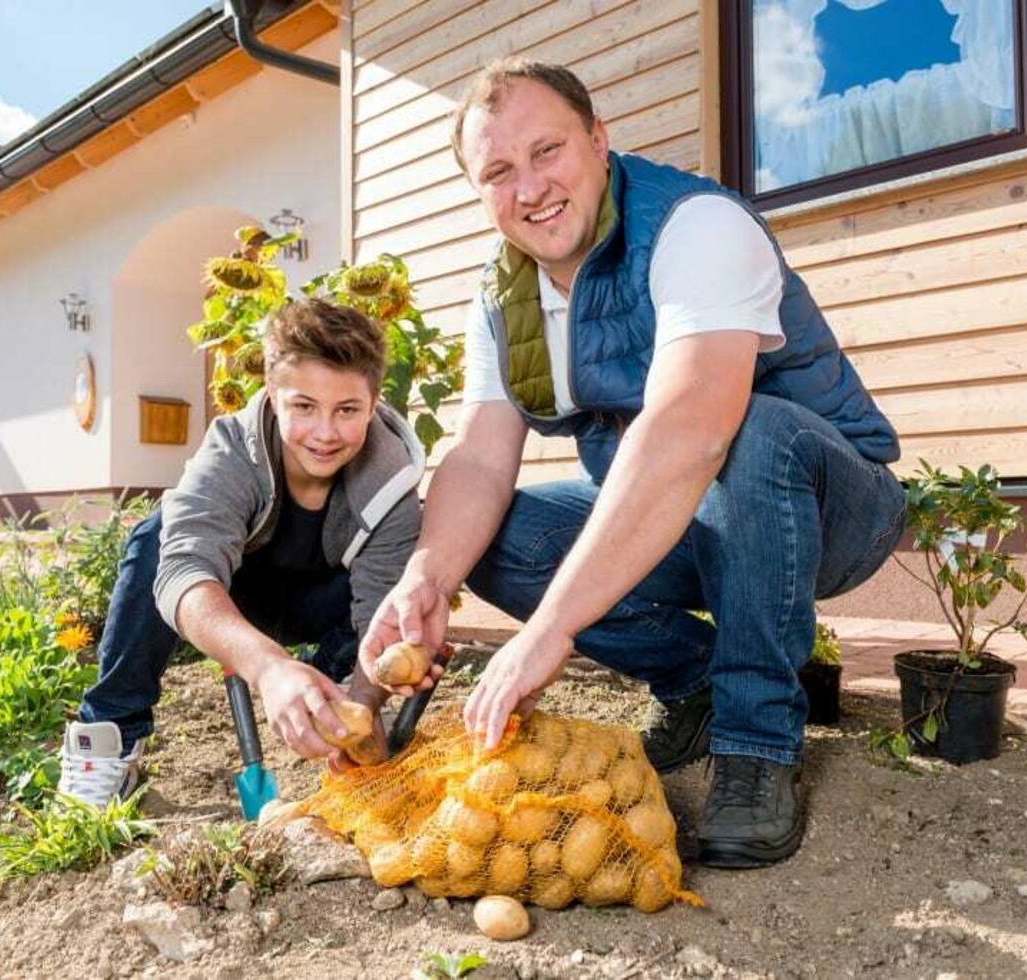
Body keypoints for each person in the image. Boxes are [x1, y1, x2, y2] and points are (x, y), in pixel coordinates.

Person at [359, 59, 906, 868]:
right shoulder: (500, 296)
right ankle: (698, 687)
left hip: (829, 505)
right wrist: (427, 581)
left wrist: (552, 629)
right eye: (499, 172)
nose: (531, 187)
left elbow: (691, 430)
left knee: (754, 430)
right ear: (479, 192)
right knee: (495, 536)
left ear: (599, 140)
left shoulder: (697, 227)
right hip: (684, 510)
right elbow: (478, 455)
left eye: (548, 151)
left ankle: (758, 740)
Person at [58, 297, 425, 807]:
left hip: (328, 608)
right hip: (236, 597)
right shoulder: (232, 449)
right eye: (303, 407)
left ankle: (333, 700)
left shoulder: (392, 482)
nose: (324, 433)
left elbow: (380, 615)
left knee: (396, 594)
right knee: (156, 536)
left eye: (347, 410)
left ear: (374, 401)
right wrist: (269, 668)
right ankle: (111, 734)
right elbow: (185, 570)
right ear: (272, 396)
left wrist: (363, 710)